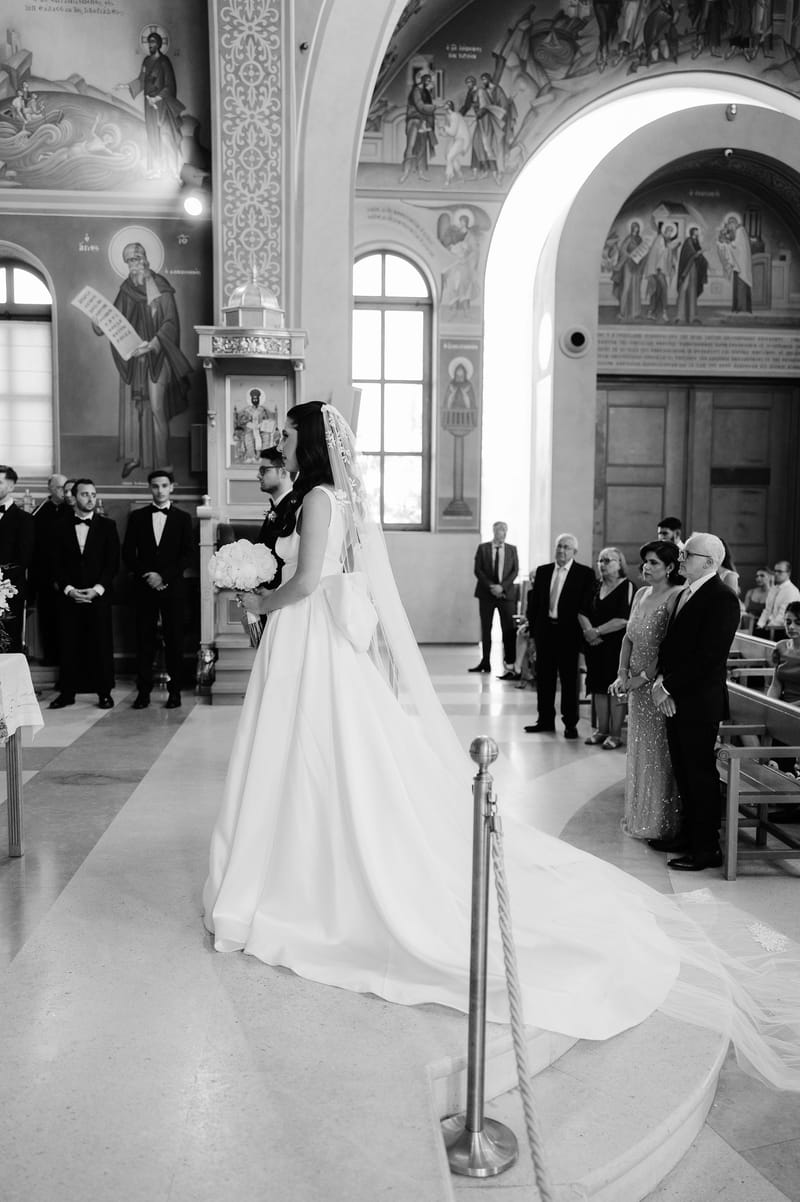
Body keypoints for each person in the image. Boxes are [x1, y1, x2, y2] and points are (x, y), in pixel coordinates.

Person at [203, 401, 800, 1088]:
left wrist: (259, 602)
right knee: (315, 755)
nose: (277, 439)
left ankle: (296, 870)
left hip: (306, 635)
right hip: (310, 640)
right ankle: (294, 854)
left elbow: (308, 581)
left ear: (307, 439)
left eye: (285, 432)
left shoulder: (316, 500)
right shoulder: (330, 498)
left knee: (311, 753)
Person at [651, 532, 742, 870]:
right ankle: (688, 835)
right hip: (677, 697)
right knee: (683, 771)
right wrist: (661, 681)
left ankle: (706, 848)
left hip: (700, 701)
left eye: (687, 554)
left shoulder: (722, 598)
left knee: (700, 774)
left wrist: (667, 686)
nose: (681, 558)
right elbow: (672, 644)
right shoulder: (687, 592)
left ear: (709, 562)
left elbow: (709, 656)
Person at [96, 242, 193, 479]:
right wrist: (99, 324)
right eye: (129, 261)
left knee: (157, 409)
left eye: (136, 259)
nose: (133, 264)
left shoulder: (161, 287)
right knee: (136, 408)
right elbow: (113, 319)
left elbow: (170, 323)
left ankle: (163, 465)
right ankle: (136, 457)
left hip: (157, 357)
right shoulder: (127, 288)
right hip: (135, 358)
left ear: (145, 259)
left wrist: (152, 344)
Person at [610, 541, 684, 840]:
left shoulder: (676, 596)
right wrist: (622, 674)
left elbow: (670, 647)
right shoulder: (641, 593)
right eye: (645, 562)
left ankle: (661, 821)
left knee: (658, 753)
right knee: (639, 749)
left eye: (654, 562)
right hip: (635, 688)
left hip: (658, 687)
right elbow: (628, 637)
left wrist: (641, 678)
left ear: (670, 567)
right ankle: (639, 815)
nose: (646, 567)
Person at [122, 470, 194, 710]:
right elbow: (128, 553)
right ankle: (143, 693)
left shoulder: (183, 518)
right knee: (144, 641)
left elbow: (187, 555)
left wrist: (164, 576)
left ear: (172, 487)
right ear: (150, 488)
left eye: (164, 485)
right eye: (155, 486)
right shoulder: (137, 517)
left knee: (175, 641)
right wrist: (148, 575)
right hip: (144, 588)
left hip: (173, 589)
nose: (160, 490)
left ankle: (175, 693)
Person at [49, 479, 119, 710]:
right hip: (69, 597)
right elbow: (54, 563)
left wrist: (97, 590)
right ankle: (67, 693)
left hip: (98, 596)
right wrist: (69, 589)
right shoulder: (58, 526)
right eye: (85, 494)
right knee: (68, 645)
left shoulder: (108, 526)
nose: (90, 499)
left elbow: (112, 563)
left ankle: (104, 693)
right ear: (73, 496)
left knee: (101, 646)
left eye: (93, 494)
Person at [524, 533, 595, 738]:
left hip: (569, 634)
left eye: (566, 547)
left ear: (575, 551)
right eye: (559, 546)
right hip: (545, 632)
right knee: (544, 678)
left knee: (569, 680)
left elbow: (585, 606)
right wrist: (534, 633)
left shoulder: (584, 573)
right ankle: (545, 720)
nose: (562, 550)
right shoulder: (543, 571)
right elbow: (534, 605)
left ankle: (570, 723)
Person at [579, 547, 634, 749]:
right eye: (600, 561)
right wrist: (589, 632)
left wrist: (597, 631)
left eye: (607, 560)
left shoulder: (627, 586)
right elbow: (581, 611)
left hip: (616, 646)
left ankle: (616, 734)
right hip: (595, 645)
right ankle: (601, 730)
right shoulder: (595, 585)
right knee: (598, 688)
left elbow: (623, 619)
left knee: (614, 688)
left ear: (619, 564)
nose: (602, 564)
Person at [116, 31, 184, 180]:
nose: (150, 45)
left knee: (166, 136)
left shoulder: (164, 62)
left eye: (152, 42)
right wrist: (125, 86)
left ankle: (173, 170)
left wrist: (157, 98)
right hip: (149, 104)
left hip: (162, 104)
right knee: (152, 135)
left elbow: (170, 85)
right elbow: (141, 80)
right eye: (148, 42)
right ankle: (156, 169)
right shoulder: (146, 61)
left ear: (158, 44)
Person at [469, 521, 519, 677]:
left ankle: (509, 664)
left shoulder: (512, 549)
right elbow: (478, 570)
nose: (502, 533)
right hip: (486, 594)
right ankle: (485, 662)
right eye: (499, 530)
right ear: (494, 531)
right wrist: (492, 587)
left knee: (508, 629)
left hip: (506, 595)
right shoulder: (483, 548)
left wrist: (502, 587)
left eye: (504, 530)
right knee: (486, 629)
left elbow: (515, 571)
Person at [32, 473, 68, 666]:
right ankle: (50, 656)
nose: (64, 492)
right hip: (45, 575)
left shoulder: (71, 510)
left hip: (68, 576)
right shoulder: (40, 511)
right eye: (60, 488)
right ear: (50, 489)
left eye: (66, 488)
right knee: (47, 618)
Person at [0, 465, 35, 653]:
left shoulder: (24, 520)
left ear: (12, 486)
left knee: (8, 644)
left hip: (9, 591)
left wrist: (1, 578)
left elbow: (24, 558)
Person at [255, 445, 295, 593]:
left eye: (264, 470)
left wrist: (270, 592)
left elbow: (287, 558)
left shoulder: (292, 509)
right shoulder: (277, 508)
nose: (258, 476)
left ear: (283, 472)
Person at [399, 70, 436, 183]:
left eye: (430, 81)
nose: (430, 83)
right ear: (423, 81)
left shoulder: (426, 93)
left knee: (422, 148)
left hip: (423, 122)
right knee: (410, 146)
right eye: (428, 81)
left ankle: (421, 173)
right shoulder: (416, 91)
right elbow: (420, 106)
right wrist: (434, 107)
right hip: (415, 121)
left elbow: (427, 109)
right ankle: (406, 173)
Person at [757, 561, 800, 641]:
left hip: (782, 630)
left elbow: (783, 616)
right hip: (769, 627)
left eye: (779, 571)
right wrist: (760, 624)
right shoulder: (774, 589)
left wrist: (768, 627)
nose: (776, 574)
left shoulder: (791, 591)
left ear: (788, 573)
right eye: (775, 571)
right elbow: (767, 610)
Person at [674, 226, 708, 324]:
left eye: (698, 231)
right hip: (687, 269)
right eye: (696, 231)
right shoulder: (688, 241)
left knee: (692, 291)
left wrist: (704, 261)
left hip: (694, 269)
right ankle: (680, 316)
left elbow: (699, 255)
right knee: (684, 290)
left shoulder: (696, 241)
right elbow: (691, 254)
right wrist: (699, 252)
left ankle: (693, 316)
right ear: (692, 232)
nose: (697, 233)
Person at [768, 602, 800, 705]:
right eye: (788, 622)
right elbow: (775, 685)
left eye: (798, 622)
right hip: (784, 705)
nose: (791, 627)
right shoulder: (781, 646)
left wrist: (786, 709)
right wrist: (769, 705)